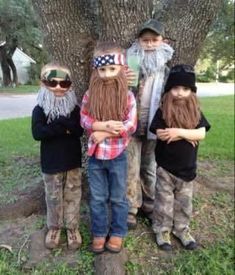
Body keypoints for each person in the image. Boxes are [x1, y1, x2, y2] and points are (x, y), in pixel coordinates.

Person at [80, 41, 137, 253]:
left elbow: (130, 125)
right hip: (96, 156)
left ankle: (118, 232)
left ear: (122, 69)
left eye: (112, 69)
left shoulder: (127, 96)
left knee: (118, 197)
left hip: (118, 155)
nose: (106, 74)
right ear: (96, 71)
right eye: (102, 70)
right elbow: (83, 118)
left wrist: (101, 133)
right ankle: (99, 232)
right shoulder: (90, 95)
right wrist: (99, 125)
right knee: (97, 197)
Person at [149, 64, 211, 251]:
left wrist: (178, 132)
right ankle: (162, 230)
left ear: (192, 92)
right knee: (163, 201)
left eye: (185, 89)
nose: (180, 93)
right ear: (169, 90)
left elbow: (201, 134)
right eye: (175, 88)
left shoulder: (196, 113)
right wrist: (186, 134)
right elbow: (160, 133)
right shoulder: (162, 111)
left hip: (187, 169)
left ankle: (182, 229)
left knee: (184, 203)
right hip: (165, 167)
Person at [126, 19, 174, 228]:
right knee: (131, 168)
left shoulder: (166, 71)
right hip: (132, 124)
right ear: (139, 41)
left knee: (150, 167)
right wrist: (122, 77)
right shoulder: (129, 64)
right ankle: (130, 208)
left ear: (163, 41)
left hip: (155, 125)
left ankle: (149, 204)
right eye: (146, 40)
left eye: (155, 40)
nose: (150, 44)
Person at [32, 63, 84, 250]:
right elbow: (38, 133)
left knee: (73, 195)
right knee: (53, 196)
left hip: (72, 161)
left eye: (64, 83)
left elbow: (78, 130)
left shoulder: (74, 109)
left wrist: (58, 124)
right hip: (51, 162)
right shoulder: (40, 109)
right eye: (52, 83)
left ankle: (72, 228)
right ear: (43, 83)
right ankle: (54, 228)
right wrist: (64, 126)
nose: (58, 88)